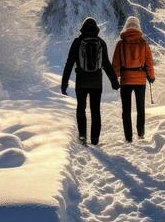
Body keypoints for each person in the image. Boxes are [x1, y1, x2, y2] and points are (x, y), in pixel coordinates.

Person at [61, 16, 120, 145]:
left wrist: (64, 83)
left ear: (83, 28)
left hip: (81, 82)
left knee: (81, 108)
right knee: (95, 110)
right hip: (96, 83)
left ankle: (82, 137)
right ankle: (94, 140)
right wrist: (114, 82)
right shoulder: (101, 42)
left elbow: (69, 63)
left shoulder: (77, 42)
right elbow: (106, 65)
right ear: (96, 29)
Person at [112, 16, 155, 142]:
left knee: (126, 110)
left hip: (125, 80)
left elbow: (116, 63)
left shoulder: (120, 44)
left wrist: (115, 79)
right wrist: (151, 76)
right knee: (140, 108)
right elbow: (149, 62)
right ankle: (141, 134)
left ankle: (128, 137)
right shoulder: (143, 43)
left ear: (126, 26)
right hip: (140, 80)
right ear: (138, 27)